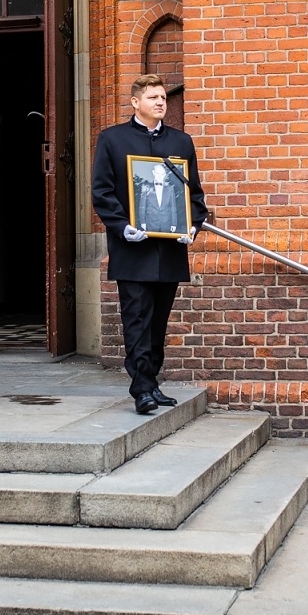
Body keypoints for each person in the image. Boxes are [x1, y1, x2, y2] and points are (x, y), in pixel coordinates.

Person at [91, 73, 207, 415]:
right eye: (153, 97)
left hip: (169, 251)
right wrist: (121, 227)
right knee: (137, 320)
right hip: (133, 250)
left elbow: (193, 194)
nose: (160, 102)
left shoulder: (181, 142)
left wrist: (192, 226)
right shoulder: (112, 140)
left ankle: (152, 381)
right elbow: (102, 192)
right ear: (135, 102)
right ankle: (141, 388)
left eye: (163, 98)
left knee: (158, 323)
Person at [132, 161, 187, 236]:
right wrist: (143, 222)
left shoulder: (170, 189)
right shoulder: (146, 188)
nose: (159, 176)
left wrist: (174, 223)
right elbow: (142, 207)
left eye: (162, 174)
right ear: (153, 173)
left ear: (164, 175)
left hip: (166, 224)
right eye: (157, 173)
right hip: (150, 223)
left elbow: (173, 207)